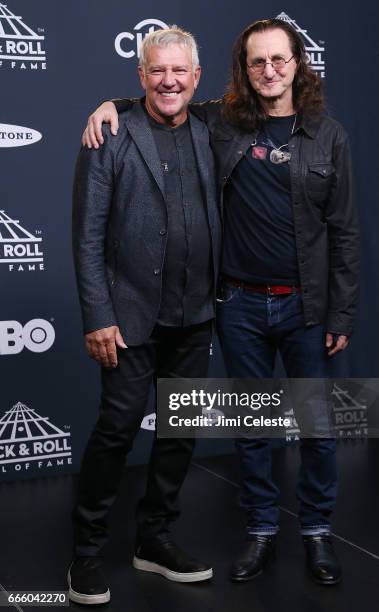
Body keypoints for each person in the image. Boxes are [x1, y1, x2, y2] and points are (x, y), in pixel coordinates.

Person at [82, 18, 359, 586]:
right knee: (231, 430)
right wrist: (107, 103)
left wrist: (342, 310)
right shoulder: (226, 123)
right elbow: (160, 98)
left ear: (297, 63)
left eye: (279, 59)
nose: (269, 70)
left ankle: (311, 534)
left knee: (309, 428)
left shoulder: (321, 135)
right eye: (258, 62)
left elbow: (346, 231)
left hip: (281, 309)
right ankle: (250, 532)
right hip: (228, 308)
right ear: (244, 70)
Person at [70, 26, 221, 605]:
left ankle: (153, 540)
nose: (169, 81)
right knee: (117, 430)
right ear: (140, 76)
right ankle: (85, 551)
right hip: (129, 316)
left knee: (180, 433)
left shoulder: (211, 128)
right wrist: (96, 314)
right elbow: (86, 236)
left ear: (196, 77)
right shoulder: (111, 132)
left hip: (196, 313)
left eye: (179, 71)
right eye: (157, 71)